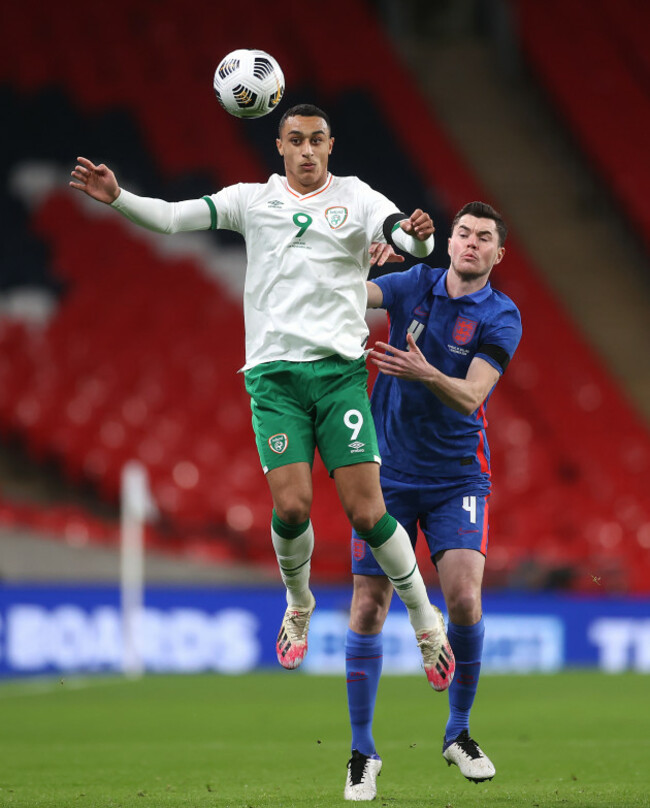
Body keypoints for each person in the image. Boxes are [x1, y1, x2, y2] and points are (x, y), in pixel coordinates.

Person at [69, 103, 456, 689]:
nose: (306, 150)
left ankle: (426, 622)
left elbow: (405, 237)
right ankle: (298, 606)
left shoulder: (357, 197)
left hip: (339, 373)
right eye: (295, 140)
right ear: (279, 146)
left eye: (316, 141)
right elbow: (175, 218)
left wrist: (420, 239)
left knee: (368, 512)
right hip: (274, 379)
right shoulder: (253, 200)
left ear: (331, 146)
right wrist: (119, 197)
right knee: (293, 507)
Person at [343, 201, 522, 800]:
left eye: (484, 238)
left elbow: (473, 397)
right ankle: (362, 753)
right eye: (463, 233)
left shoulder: (502, 315)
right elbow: (349, 294)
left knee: (465, 598)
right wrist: (355, 258)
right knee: (368, 607)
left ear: (499, 253)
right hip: (387, 473)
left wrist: (425, 374)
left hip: (456, 476)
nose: (471, 243)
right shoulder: (411, 284)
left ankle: (459, 731)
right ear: (448, 241)